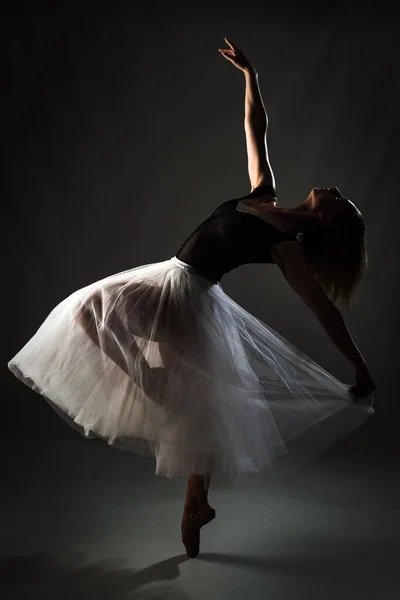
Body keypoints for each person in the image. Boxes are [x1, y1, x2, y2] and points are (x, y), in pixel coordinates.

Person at [8, 38, 376, 559]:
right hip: (172, 281)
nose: (334, 189)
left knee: (191, 395)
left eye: (340, 201)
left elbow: (323, 309)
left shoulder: (287, 248)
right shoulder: (263, 194)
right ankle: (193, 492)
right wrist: (250, 75)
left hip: (189, 296)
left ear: (325, 221)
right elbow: (256, 129)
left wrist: (358, 367)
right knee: (102, 321)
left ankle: (192, 498)